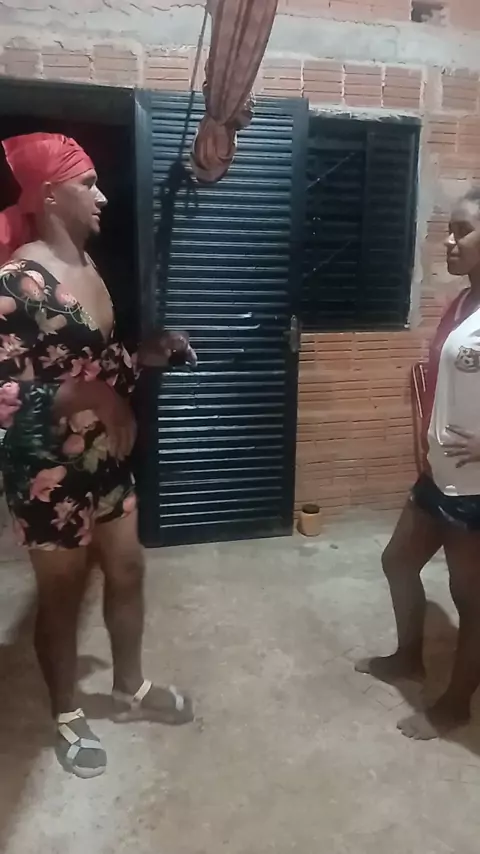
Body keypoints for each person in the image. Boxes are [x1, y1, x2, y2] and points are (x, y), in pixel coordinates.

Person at [0, 132, 197, 778]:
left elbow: (95, 362)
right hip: (45, 471)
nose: (102, 195)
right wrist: (84, 394)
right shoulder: (16, 281)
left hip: (105, 457)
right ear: (50, 195)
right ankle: (65, 711)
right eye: (87, 184)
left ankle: (130, 686)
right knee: (62, 596)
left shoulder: (87, 267)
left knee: (129, 569)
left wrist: (146, 354)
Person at [356, 187, 480, 740]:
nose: (450, 240)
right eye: (450, 229)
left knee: (470, 602)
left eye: (463, 230)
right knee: (397, 562)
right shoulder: (463, 302)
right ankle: (410, 657)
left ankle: (455, 705)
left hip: (475, 490)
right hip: (437, 474)